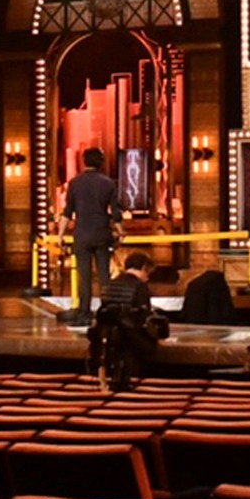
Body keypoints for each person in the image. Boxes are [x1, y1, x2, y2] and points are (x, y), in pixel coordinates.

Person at [88, 250, 166, 392]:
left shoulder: (109, 285)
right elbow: (144, 320)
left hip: (105, 337)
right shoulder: (140, 287)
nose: (147, 277)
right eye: (147, 272)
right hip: (129, 339)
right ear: (143, 268)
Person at [57, 147, 121, 319]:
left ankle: (84, 310)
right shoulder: (108, 183)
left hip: (82, 234)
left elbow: (67, 212)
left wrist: (60, 236)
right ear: (101, 162)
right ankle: (107, 309)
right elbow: (115, 212)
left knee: (83, 275)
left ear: (83, 161)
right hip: (102, 233)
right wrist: (121, 231)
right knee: (104, 275)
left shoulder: (75, 183)